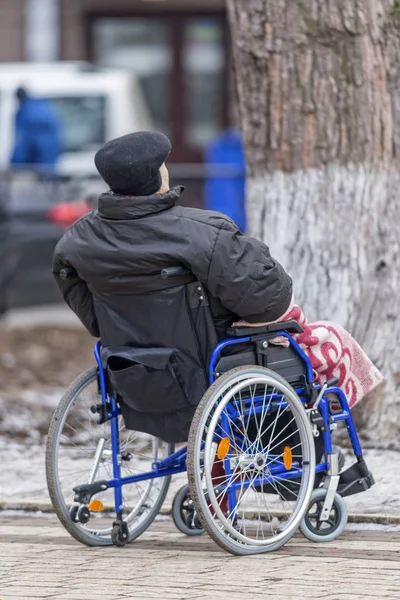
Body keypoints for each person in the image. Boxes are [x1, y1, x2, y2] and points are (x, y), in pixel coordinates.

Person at [52, 131, 292, 442]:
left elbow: (88, 310)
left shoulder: (77, 239)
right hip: (208, 370)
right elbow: (269, 302)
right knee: (316, 339)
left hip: (131, 368)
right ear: (156, 177)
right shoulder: (203, 232)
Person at [10, 87, 62, 170]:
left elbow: (23, 142)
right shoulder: (46, 108)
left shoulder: (25, 112)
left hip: (34, 162)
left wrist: (14, 164)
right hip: (51, 159)